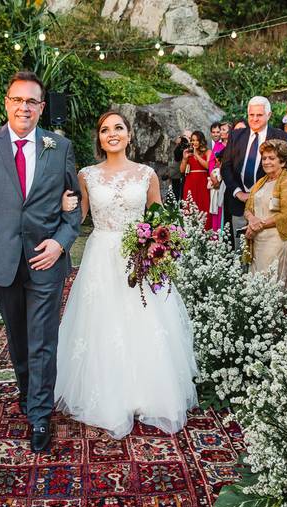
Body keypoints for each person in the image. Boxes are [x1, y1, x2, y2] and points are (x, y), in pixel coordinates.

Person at [55, 111, 197, 439]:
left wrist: (159, 246)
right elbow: (80, 217)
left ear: (129, 134)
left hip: (139, 257)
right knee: (104, 324)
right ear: (100, 139)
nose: (112, 133)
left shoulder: (147, 174)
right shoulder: (87, 175)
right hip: (101, 255)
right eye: (105, 130)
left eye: (118, 127)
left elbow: (158, 217)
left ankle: (146, 394)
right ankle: (107, 393)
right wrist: (65, 209)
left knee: (144, 321)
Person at [0, 70, 81, 453]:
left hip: (46, 260)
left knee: (43, 338)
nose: (24, 106)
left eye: (32, 101)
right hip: (1, 258)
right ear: (7, 103)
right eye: (18, 99)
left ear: (42, 107)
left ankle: (40, 415)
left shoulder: (59, 147)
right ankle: (28, 393)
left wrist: (61, 244)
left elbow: (74, 207)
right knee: (17, 338)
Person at [221, 96, 287, 248]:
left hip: (268, 209)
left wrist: (260, 195)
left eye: (259, 115)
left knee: (264, 253)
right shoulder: (235, 136)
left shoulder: (282, 137)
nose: (254, 119)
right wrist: (238, 192)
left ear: (269, 115)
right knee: (240, 254)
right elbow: (225, 167)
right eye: (251, 115)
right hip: (238, 204)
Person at [244, 140, 287, 288]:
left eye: (271, 158)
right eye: (264, 158)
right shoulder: (261, 182)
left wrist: (259, 224)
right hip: (257, 240)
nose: (266, 162)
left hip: (276, 241)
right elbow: (248, 208)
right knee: (255, 285)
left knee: (271, 286)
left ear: (282, 162)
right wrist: (251, 220)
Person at [180, 130, 212, 230]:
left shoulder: (208, 152)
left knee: (203, 206)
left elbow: (208, 166)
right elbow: (181, 170)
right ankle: (189, 231)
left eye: (197, 140)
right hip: (190, 182)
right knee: (189, 206)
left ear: (201, 140)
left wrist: (196, 155)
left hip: (203, 182)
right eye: (192, 140)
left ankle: (205, 232)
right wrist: (185, 159)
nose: (194, 142)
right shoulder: (188, 153)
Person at [208, 122, 226, 231]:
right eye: (214, 132)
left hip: (225, 180)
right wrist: (212, 176)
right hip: (215, 180)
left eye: (219, 131)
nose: (217, 134)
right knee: (216, 207)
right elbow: (211, 162)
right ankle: (215, 233)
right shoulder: (217, 146)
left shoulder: (230, 145)